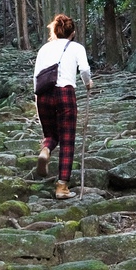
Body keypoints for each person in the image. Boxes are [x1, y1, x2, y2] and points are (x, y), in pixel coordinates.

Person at [33, 13, 92, 198]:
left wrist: (37, 101)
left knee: (51, 135)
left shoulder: (44, 49)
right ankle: (62, 187)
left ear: (55, 31)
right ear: (72, 33)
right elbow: (84, 69)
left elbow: (36, 77)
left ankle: (45, 150)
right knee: (67, 140)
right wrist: (88, 83)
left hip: (43, 94)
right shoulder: (76, 47)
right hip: (65, 93)